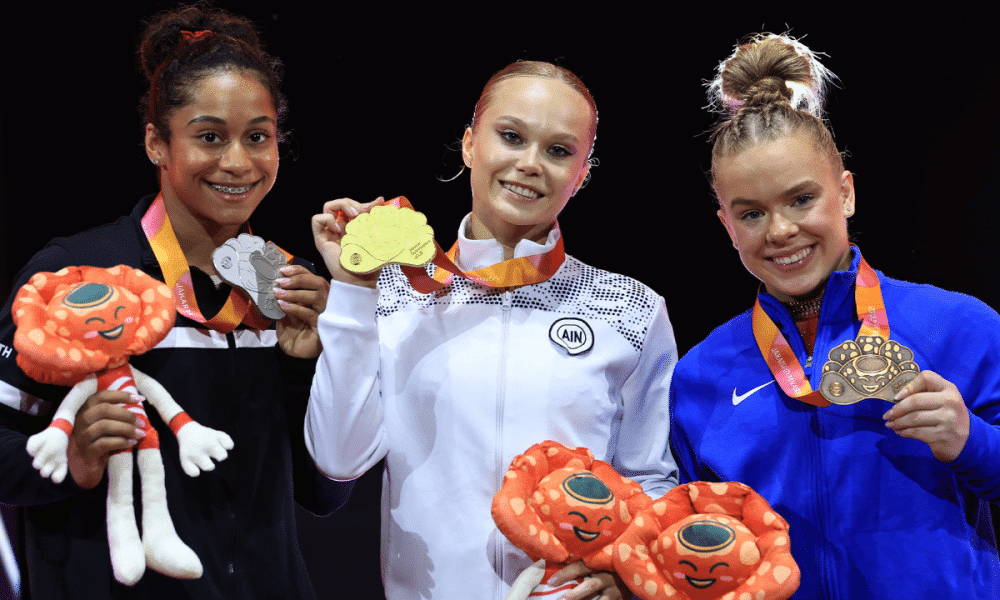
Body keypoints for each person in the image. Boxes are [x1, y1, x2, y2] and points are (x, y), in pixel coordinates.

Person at [0, 5, 351, 598]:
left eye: (258, 137)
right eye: (209, 136)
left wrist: (313, 361)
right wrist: (74, 462)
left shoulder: (290, 287)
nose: (238, 162)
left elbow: (324, 491)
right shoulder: (74, 277)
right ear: (156, 143)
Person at [305, 60, 679, 599]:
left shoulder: (630, 307)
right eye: (510, 137)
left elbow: (648, 478)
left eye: (558, 151)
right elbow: (337, 458)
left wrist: (628, 575)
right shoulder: (392, 295)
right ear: (469, 145)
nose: (530, 164)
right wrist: (351, 292)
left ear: (583, 173)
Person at [669, 33, 1000, 598]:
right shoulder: (700, 376)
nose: (780, 232)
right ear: (726, 225)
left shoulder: (960, 327)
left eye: (801, 200)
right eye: (751, 213)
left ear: (844, 193)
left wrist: (972, 442)